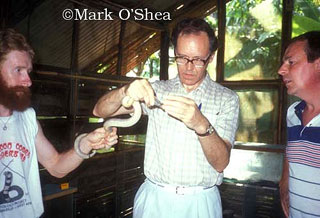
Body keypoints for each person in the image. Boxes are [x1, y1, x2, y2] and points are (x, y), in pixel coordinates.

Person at [93, 18, 240, 218]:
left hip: (199, 201)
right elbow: (100, 111)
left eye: (198, 60)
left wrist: (201, 124)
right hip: (155, 198)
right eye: (181, 57)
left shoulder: (227, 99)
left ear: (211, 57)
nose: (188, 67)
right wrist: (124, 91)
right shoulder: (158, 91)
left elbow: (221, 163)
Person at [0, 29, 118, 218]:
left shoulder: (27, 118)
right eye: (18, 70)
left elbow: (56, 166)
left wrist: (86, 143)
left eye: (28, 71)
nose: (28, 81)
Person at [278, 31, 320, 218]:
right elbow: (292, 150)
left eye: (291, 62)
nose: (281, 70)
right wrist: (284, 180)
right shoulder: (293, 113)